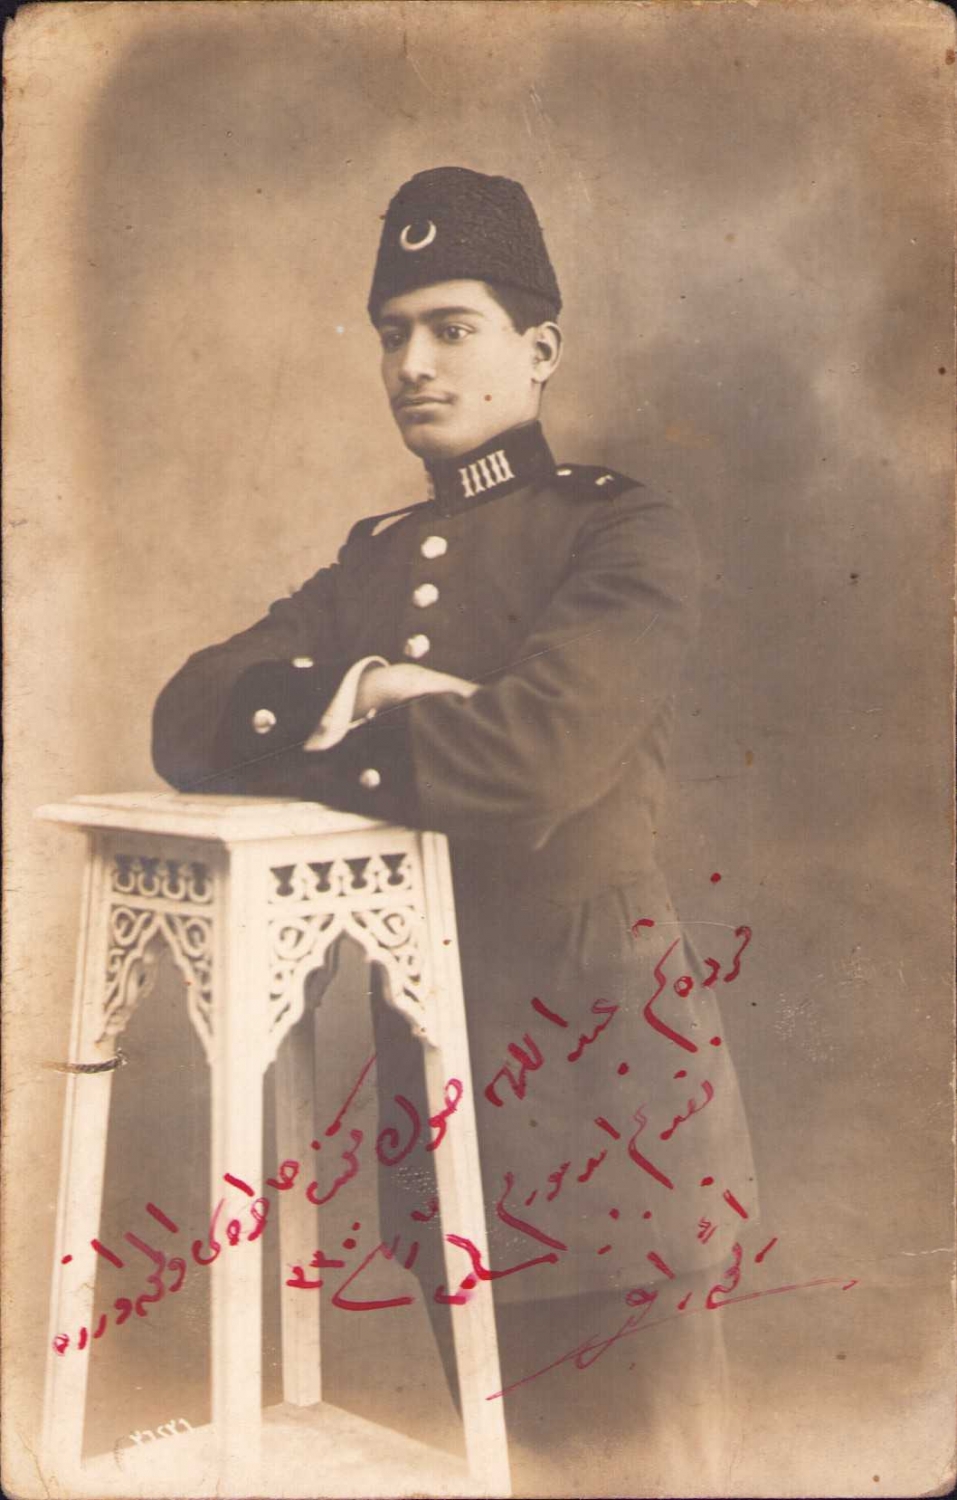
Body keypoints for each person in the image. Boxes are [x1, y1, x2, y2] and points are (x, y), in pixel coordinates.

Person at [153, 166, 754, 1485]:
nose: (412, 364)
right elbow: (188, 716)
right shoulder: (373, 559)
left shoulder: (621, 531)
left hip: (607, 1106)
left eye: (451, 327)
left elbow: (530, 758)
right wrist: (371, 690)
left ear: (539, 348)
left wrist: (315, 737)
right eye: (392, 333)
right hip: (443, 1120)